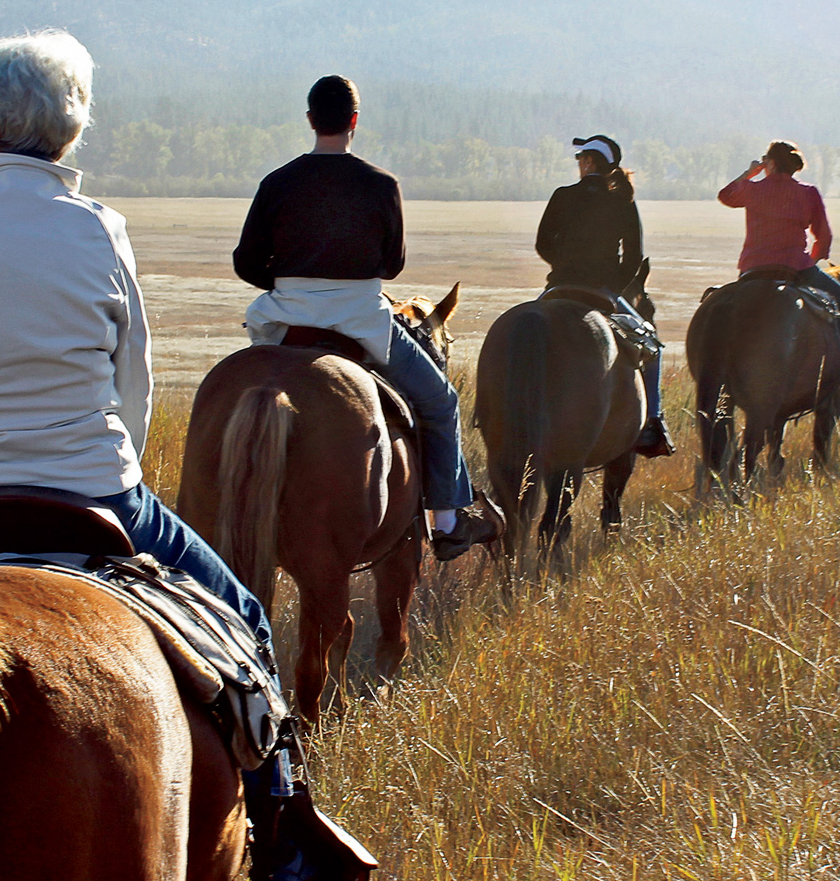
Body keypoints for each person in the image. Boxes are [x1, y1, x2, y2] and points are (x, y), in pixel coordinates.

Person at [0, 29, 351, 881]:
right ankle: (284, 836)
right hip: (95, 495)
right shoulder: (102, 229)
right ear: (63, 136)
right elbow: (131, 384)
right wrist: (109, 467)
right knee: (249, 625)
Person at [231, 75, 500, 559]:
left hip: (284, 315)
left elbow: (245, 263)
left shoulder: (277, 182)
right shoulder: (381, 184)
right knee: (441, 402)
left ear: (311, 120)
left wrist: (294, 281)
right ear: (354, 121)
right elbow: (392, 265)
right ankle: (446, 520)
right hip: (363, 320)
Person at [534, 134, 672, 457]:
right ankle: (652, 422)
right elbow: (635, 257)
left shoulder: (562, 195)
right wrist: (614, 285)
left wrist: (564, 266)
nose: (579, 164)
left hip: (559, 288)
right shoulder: (622, 201)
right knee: (652, 347)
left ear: (589, 162)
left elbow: (542, 243)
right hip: (603, 292)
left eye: (581, 159)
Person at [717, 141, 840, 393]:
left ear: (770, 162)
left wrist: (749, 174)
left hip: (752, 270)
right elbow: (824, 238)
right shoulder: (808, 192)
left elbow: (725, 196)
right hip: (796, 269)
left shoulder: (752, 188)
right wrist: (810, 261)